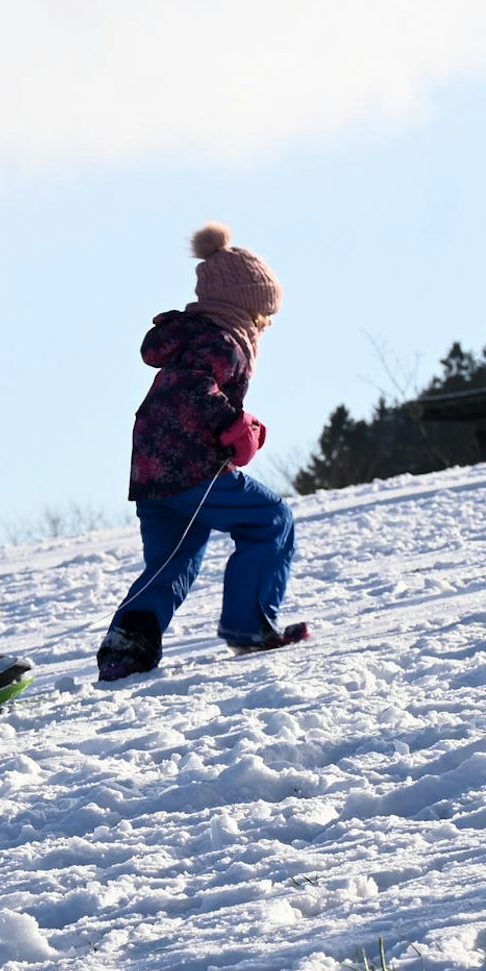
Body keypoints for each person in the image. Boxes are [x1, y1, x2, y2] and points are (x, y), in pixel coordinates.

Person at [97, 223, 309, 681]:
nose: (264, 325)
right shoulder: (223, 340)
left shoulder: (195, 337)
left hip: (152, 472)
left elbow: (181, 391)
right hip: (190, 468)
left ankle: (126, 648)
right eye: (261, 314)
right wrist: (232, 424)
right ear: (241, 304)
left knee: (173, 559)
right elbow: (192, 392)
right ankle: (249, 626)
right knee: (269, 519)